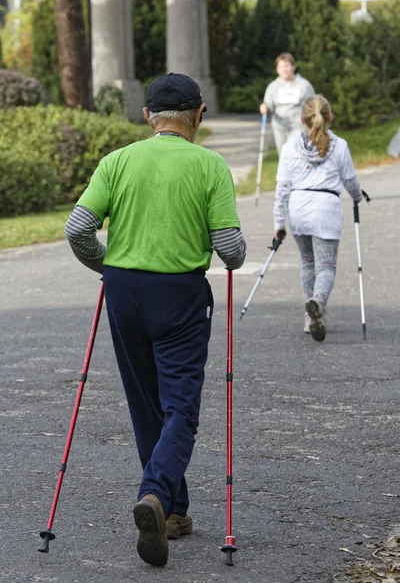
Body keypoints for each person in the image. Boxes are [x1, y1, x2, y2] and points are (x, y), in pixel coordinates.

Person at [65, 73, 246, 567]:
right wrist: (236, 255)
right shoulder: (209, 165)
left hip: (124, 290)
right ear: (199, 114)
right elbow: (229, 248)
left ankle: (173, 510)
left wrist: (108, 264)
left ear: (147, 116)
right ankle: (154, 494)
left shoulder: (118, 160)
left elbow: (78, 227)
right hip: (180, 294)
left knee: (147, 403)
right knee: (180, 407)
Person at [273, 95, 362, 342]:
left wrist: (278, 223)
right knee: (326, 266)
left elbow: (282, 188)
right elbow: (350, 181)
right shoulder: (340, 145)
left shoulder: (290, 147)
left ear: (302, 120)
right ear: (330, 117)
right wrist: (357, 197)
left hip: (299, 208)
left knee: (308, 263)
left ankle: (310, 317)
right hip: (326, 209)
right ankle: (318, 301)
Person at [259, 52, 315, 155]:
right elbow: (268, 104)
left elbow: (313, 104)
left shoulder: (304, 85)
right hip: (279, 126)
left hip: (298, 125)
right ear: (277, 69)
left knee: (293, 150)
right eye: (281, 66)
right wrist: (264, 107)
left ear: (293, 67)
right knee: (283, 153)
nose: (284, 69)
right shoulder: (273, 86)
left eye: (287, 66)